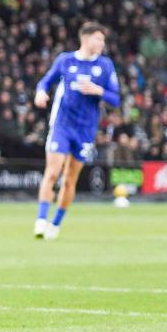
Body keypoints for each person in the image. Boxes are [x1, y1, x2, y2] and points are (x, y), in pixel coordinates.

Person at [33, 22, 120, 241]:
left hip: (85, 131)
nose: (101, 44)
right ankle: (41, 221)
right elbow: (45, 81)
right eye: (98, 39)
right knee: (53, 172)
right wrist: (40, 93)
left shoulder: (105, 66)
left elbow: (116, 99)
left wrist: (98, 90)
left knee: (70, 179)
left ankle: (56, 223)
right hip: (62, 125)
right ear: (86, 38)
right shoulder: (66, 60)